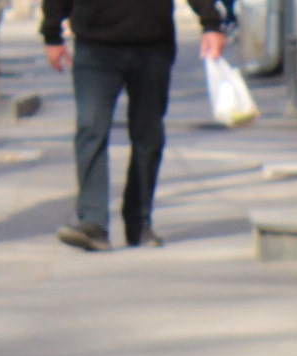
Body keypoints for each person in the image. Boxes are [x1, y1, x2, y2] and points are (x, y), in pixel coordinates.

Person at [42, 0, 228, 251]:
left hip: (153, 46)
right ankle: (92, 222)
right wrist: (52, 33)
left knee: (148, 136)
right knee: (91, 128)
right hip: (95, 44)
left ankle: (139, 223)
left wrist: (210, 23)